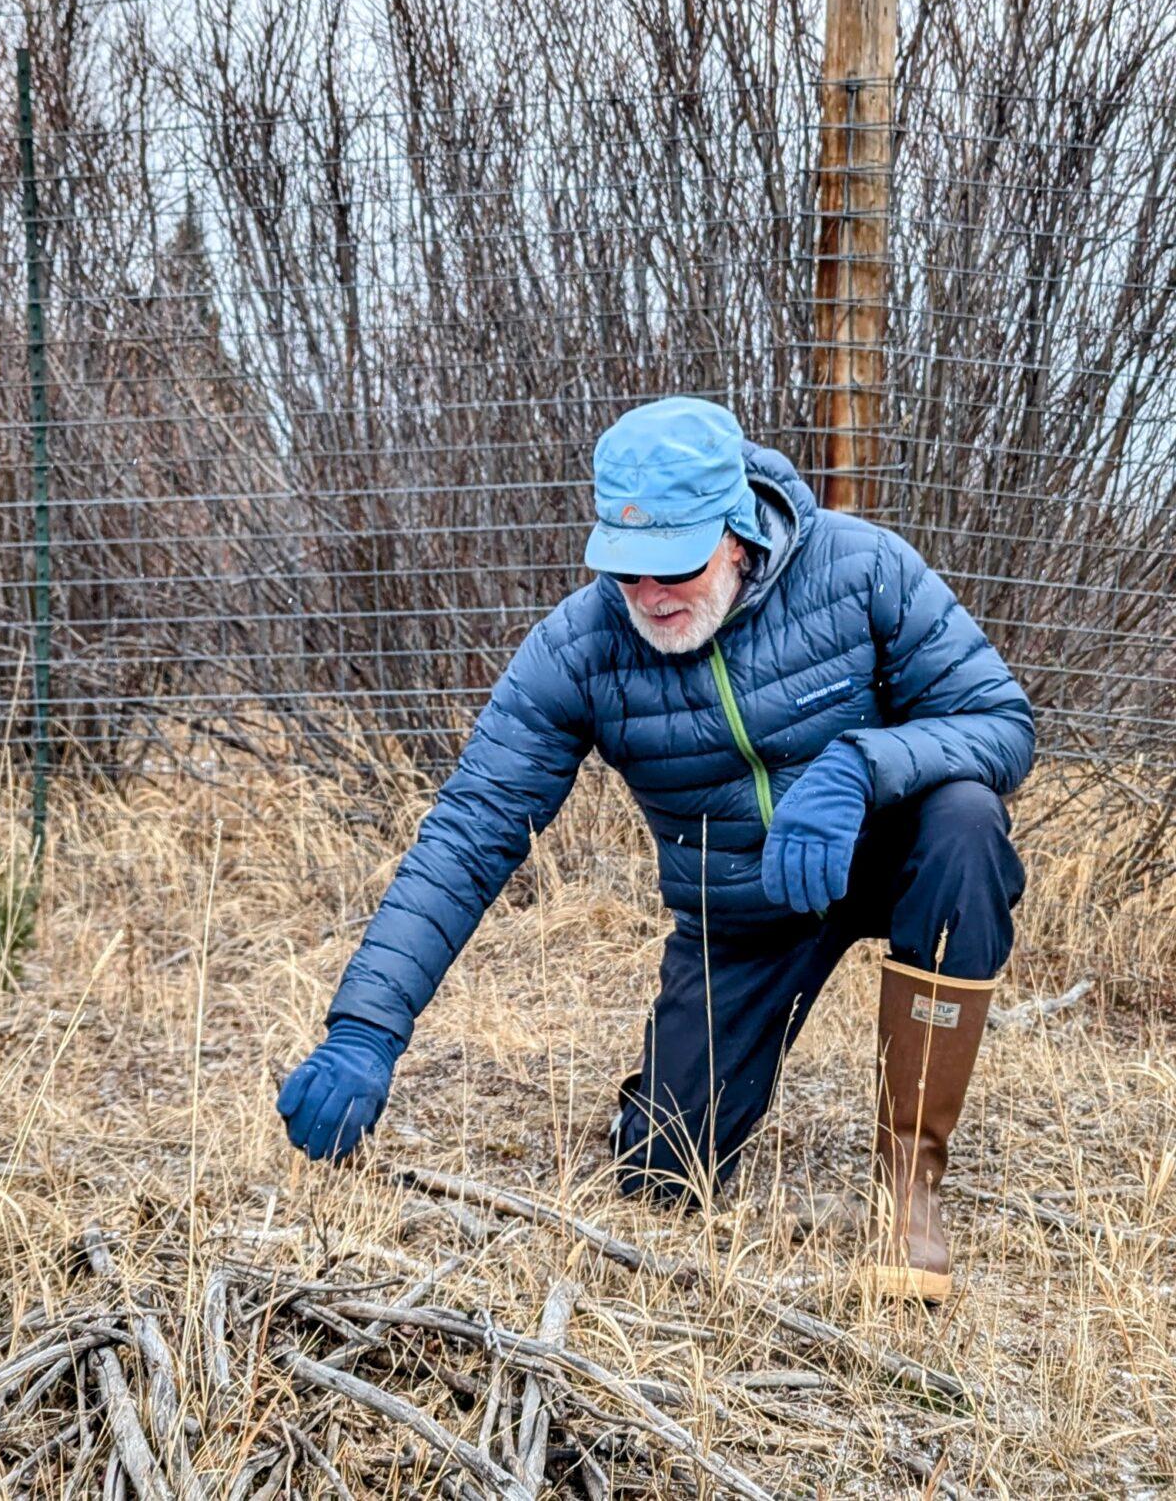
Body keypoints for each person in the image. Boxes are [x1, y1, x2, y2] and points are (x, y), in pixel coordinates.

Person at [277, 397, 1034, 1302]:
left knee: (965, 818)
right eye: (628, 569)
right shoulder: (583, 648)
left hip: (886, 856)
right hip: (743, 914)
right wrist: (367, 1027)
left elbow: (1003, 724)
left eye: (675, 562)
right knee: (662, 1175)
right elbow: (470, 831)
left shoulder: (863, 569)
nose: (651, 595)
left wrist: (864, 764)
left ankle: (908, 1189)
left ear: (738, 529)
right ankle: (674, 1114)